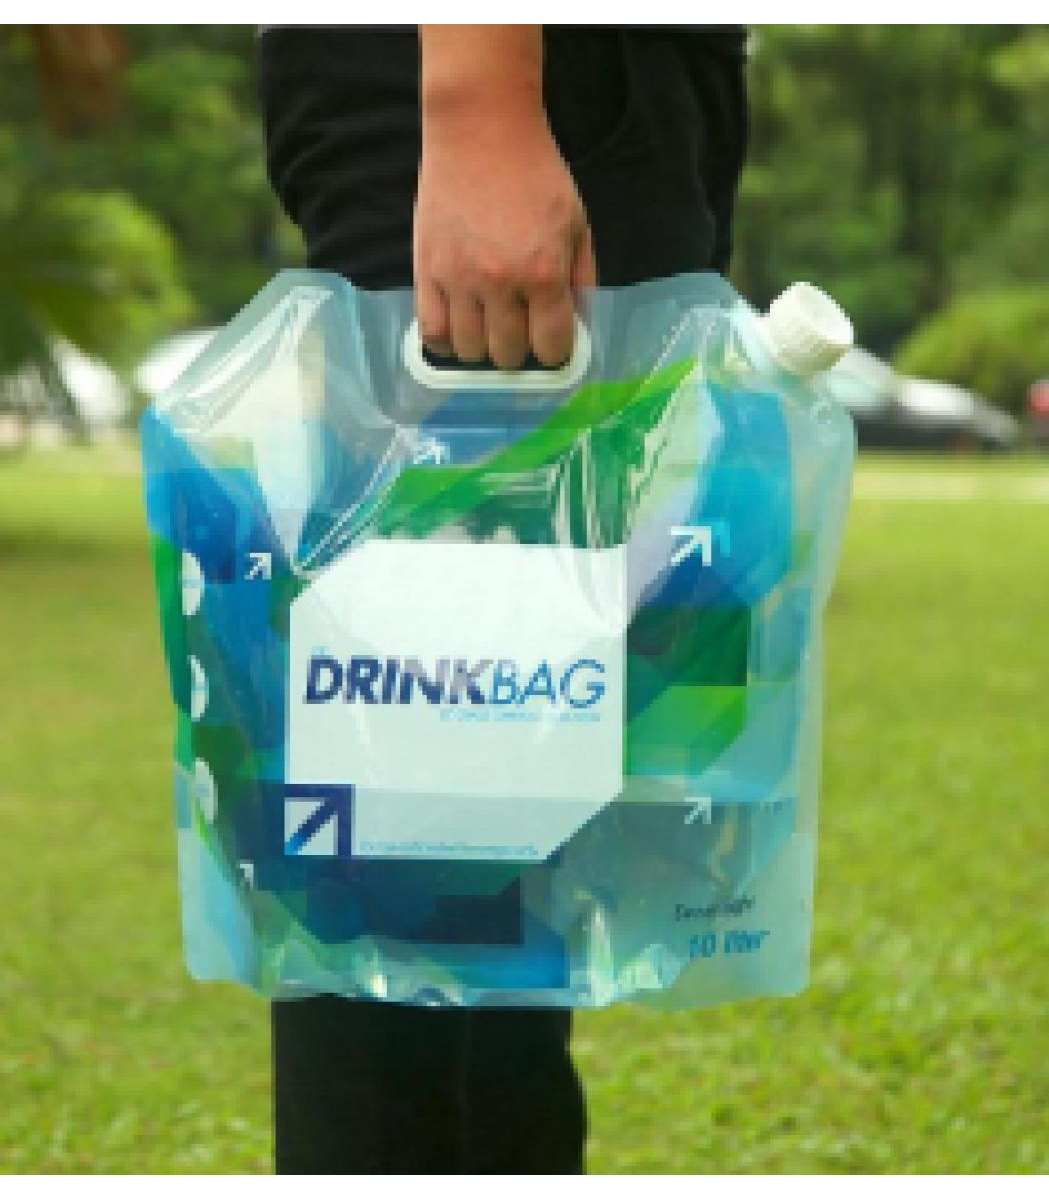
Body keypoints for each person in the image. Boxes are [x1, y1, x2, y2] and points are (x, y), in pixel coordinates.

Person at [257, 23, 748, 1173]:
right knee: (406, 856)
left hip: (608, 75)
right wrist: (481, 107)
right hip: (518, 73)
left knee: (509, 832)